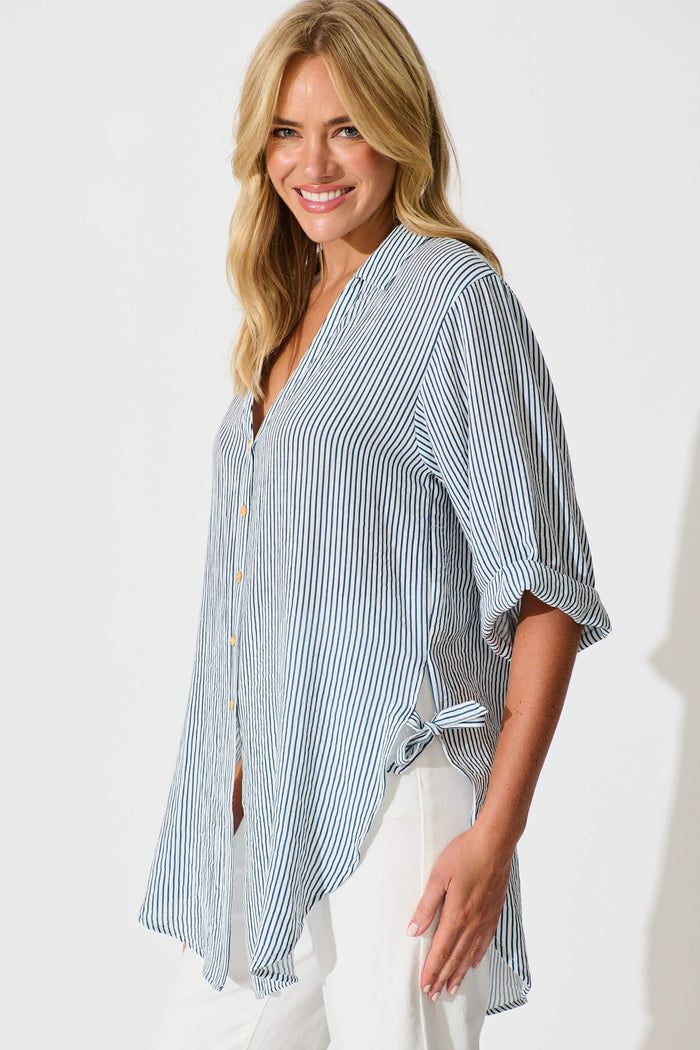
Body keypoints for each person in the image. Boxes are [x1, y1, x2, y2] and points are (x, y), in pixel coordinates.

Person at [138, 2, 611, 1047]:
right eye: (286, 131)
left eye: (346, 128)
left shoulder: (453, 300)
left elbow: (544, 589)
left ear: (400, 130)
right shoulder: (281, 320)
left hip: (403, 804)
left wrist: (495, 835)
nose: (313, 163)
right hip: (266, 825)